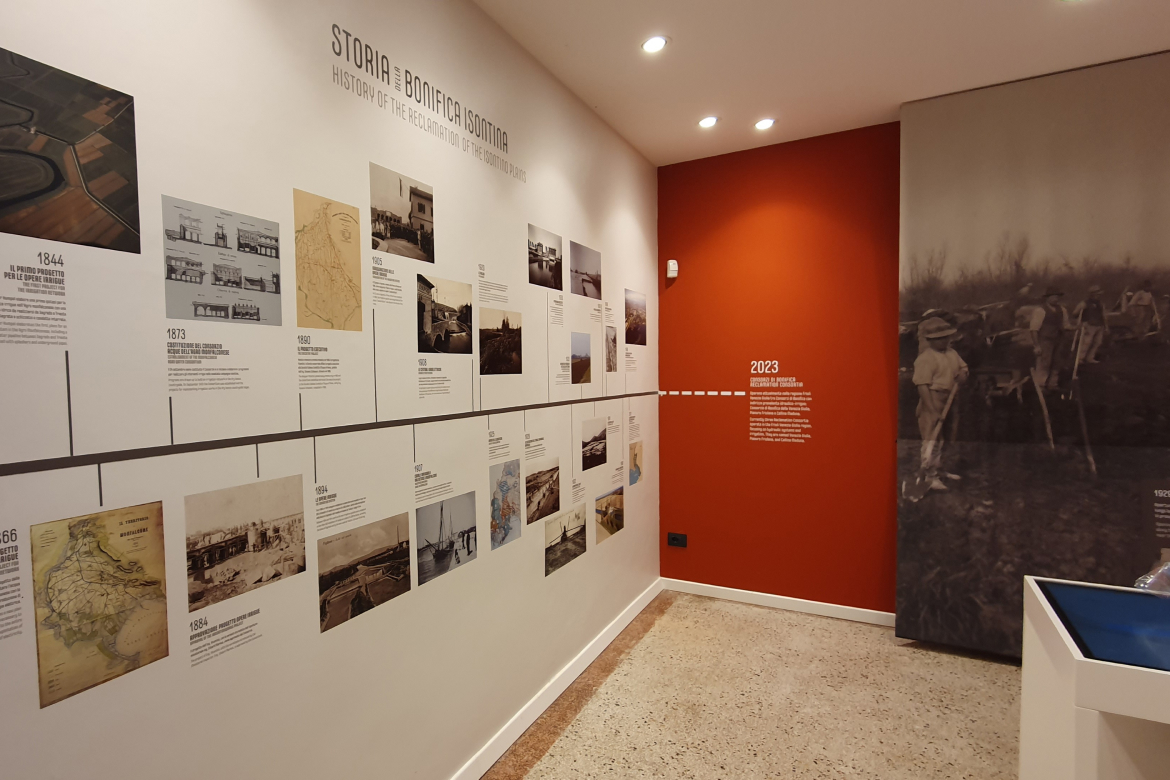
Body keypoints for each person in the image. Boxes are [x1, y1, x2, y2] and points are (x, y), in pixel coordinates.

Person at [912, 317, 968, 492]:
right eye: (938, 338)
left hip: (951, 397)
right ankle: (929, 476)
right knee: (932, 438)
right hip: (932, 397)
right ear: (930, 340)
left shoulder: (952, 353)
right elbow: (922, 386)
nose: (943, 341)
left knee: (948, 436)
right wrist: (931, 409)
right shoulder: (925, 359)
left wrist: (963, 375)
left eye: (946, 337)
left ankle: (939, 469)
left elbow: (964, 368)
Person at [1029, 286, 1071, 391]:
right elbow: (1034, 329)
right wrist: (1036, 346)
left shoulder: (1062, 310)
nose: (1055, 299)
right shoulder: (1040, 310)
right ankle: (1041, 385)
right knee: (1044, 363)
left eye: (1057, 297)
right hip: (1045, 341)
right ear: (1047, 298)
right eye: (1053, 297)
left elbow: (1066, 325)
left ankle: (1053, 384)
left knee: (1057, 362)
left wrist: (1077, 327)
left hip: (1058, 339)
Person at [1071, 284, 1108, 364]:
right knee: (1086, 342)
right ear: (1092, 294)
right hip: (1089, 325)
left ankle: (1090, 358)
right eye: (1097, 294)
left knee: (1097, 342)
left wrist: (1106, 327)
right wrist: (1080, 313)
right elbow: (1074, 314)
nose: (1098, 295)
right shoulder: (1084, 303)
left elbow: (1104, 316)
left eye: (1099, 294)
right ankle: (1080, 358)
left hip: (1099, 325)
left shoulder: (1101, 304)